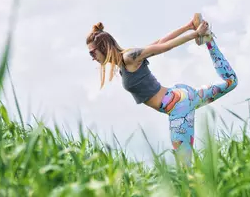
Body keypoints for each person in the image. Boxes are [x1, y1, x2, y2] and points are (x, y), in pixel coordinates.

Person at [86, 13, 238, 166]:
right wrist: (188, 27)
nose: (92, 57)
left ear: (103, 47)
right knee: (231, 82)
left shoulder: (129, 57)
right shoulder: (125, 61)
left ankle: (205, 37)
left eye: (93, 52)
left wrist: (195, 34)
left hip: (179, 108)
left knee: (184, 166)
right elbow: (160, 41)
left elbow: (164, 47)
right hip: (182, 98)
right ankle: (209, 40)